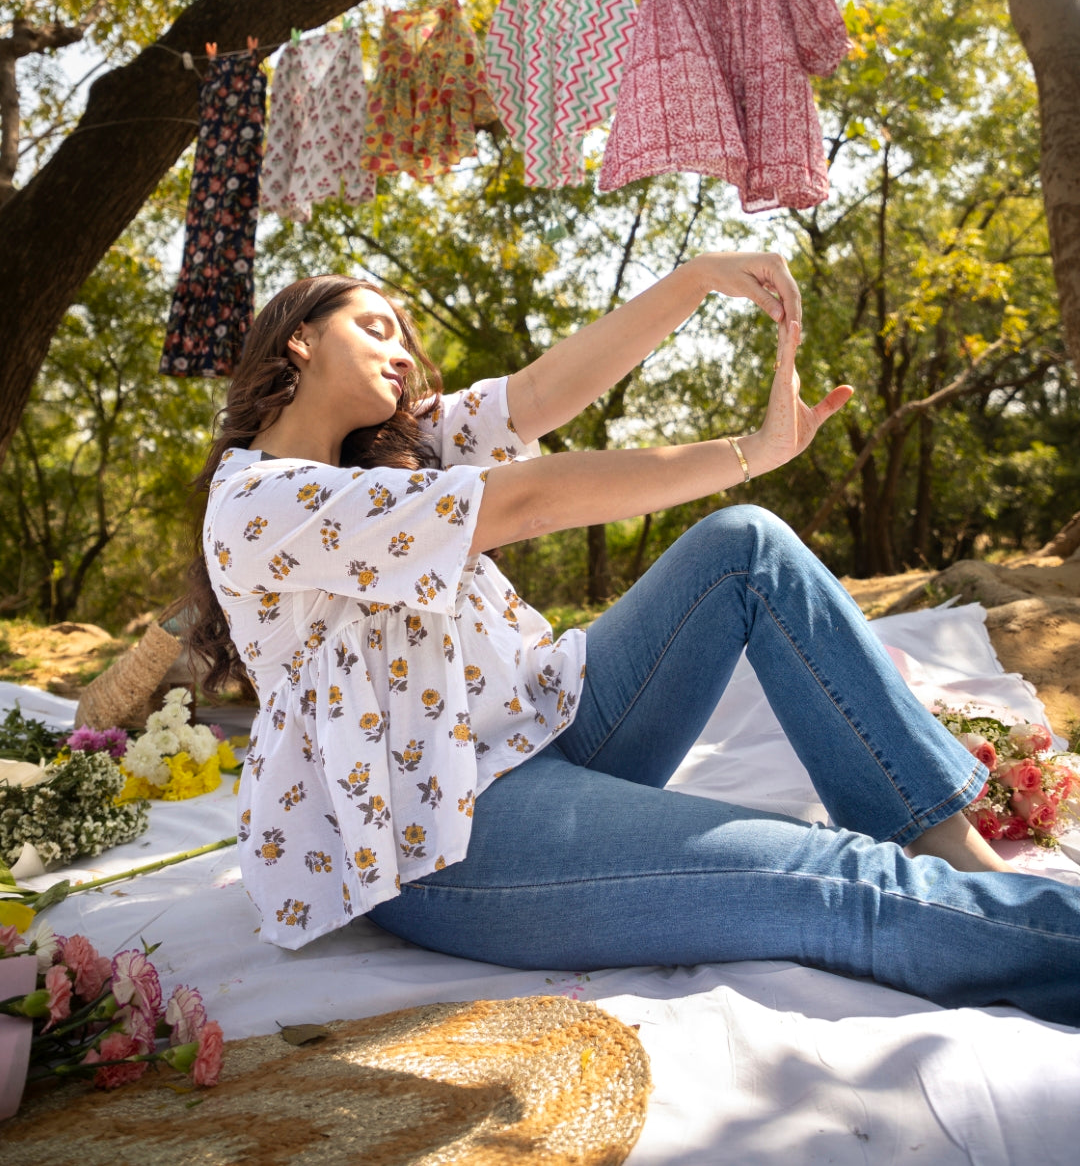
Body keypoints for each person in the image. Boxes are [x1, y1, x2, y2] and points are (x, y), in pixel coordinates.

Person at [187, 257, 1080, 1026]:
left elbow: (539, 394)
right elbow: (525, 500)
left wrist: (695, 279)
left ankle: (945, 838)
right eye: (374, 326)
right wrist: (748, 449)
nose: (400, 352)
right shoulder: (260, 502)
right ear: (298, 339)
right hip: (453, 828)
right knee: (836, 881)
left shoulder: (398, 453)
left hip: (555, 726)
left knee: (747, 548)